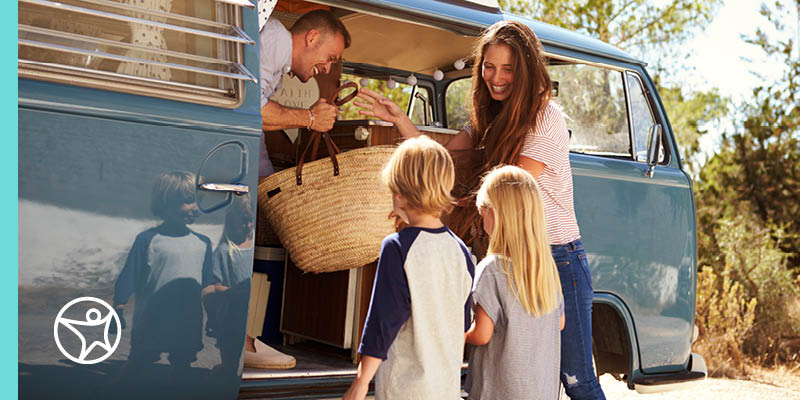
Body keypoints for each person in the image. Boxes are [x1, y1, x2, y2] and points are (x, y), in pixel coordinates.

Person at [355, 20, 606, 400]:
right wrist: (401, 121)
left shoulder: (545, 118)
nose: (497, 77)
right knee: (509, 367)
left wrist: (437, 203)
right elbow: (444, 160)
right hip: (511, 255)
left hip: (555, 258)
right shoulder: (489, 118)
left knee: (576, 378)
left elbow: (510, 190)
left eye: (507, 68)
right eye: (489, 66)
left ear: (525, 70)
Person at [343, 136, 475, 400]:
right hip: (445, 389)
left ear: (399, 194)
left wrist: (360, 383)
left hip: (405, 389)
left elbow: (383, 322)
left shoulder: (398, 248)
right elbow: (461, 326)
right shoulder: (461, 251)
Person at [464, 165, 565, 399]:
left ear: (496, 214)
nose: (481, 224)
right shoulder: (546, 269)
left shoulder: (491, 269)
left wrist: (454, 335)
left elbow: (482, 334)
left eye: (482, 214)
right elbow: (559, 323)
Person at [113, 171, 211, 382]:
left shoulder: (203, 243)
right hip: (152, 317)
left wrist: (214, 314)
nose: (195, 207)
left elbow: (207, 283)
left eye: (198, 201)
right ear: (165, 203)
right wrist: (118, 307)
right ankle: (114, 391)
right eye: (188, 201)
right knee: (139, 359)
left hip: (188, 318)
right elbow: (130, 274)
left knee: (182, 363)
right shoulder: (148, 239)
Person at [258, 8, 351, 177]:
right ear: (312, 38)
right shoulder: (276, 40)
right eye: (330, 58)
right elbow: (249, 109)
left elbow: (254, 121)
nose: (327, 69)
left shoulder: (279, 62)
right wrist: (311, 118)